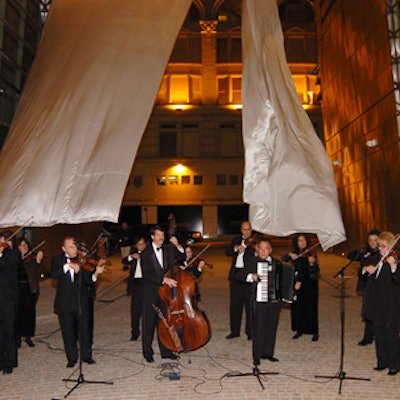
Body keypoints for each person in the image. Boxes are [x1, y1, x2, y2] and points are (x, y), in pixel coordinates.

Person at [51, 236, 105, 368]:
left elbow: (88, 280)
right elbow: (54, 274)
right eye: (70, 247)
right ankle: (72, 358)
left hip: (82, 301)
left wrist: (96, 274)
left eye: (75, 246)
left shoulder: (82, 260)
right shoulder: (57, 260)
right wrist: (68, 266)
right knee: (68, 331)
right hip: (65, 302)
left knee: (85, 329)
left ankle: (87, 356)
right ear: (64, 248)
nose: (74, 249)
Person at [140, 225, 185, 363]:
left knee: (165, 323)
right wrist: (163, 279)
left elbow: (182, 256)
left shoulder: (168, 249)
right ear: (152, 237)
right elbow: (146, 274)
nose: (161, 238)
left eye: (162, 235)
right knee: (149, 324)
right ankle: (147, 352)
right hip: (150, 293)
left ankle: (166, 351)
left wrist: (178, 245)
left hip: (166, 295)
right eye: (158, 235)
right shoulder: (145, 253)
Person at [235, 238, 282, 365]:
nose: (263, 251)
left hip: (274, 302)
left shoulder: (278, 264)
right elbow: (238, 275)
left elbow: (282, 282)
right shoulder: (252, 262)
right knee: (258, 328)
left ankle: (268, 353)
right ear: (257, 249)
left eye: (266, 248)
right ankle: (257, 356)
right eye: (260, 248)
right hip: (259, 301)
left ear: (270, 250)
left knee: (271, 327)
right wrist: (252, 277)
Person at [362, 231, 400, 376]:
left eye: (384, 247)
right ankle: (381, 362)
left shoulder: (395, 260)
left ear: (391, 246)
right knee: (379, 333)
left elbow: (398, 280)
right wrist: (366, 269)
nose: (381, 250)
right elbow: (362, 275)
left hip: (391, 304)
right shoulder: (374, 258)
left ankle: (394, 365)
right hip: (376, 303)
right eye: (379, 246)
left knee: (391, 334)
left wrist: (393, 268)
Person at [282, 234, 319, 341]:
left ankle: (314, 331)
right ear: (296, 242)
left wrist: (312, 264)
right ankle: (300, 330)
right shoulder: (295, 253)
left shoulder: (312, 254)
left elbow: (315, 273)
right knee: (298, 308)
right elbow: (284, 258)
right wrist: (290, 255)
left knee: (311, 308)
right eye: (300, 241)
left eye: (304, 240)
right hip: (297, 285)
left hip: (309, 285)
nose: (302, 243)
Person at [347, 229, 381, 346]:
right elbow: (350, 256)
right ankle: (368, 336)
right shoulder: (366, 251)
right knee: (368, 312)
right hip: (367, 285)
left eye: (375, 240)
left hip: (379, 287)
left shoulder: (382, 253)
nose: (372, 243)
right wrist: (360, 253)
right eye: (370, 240)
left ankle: (378, 335)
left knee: (379, 312)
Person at [225, 221, 255, 340]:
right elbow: (227, 252)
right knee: (235, 306)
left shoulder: (255, 242)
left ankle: (250, 332)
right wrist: (236, 248)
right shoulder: (236, 239)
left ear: (251, 230)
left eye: (248, 229)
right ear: (241, 230)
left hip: (248, 274)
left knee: (249, 306)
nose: (246, 232)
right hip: (236, 275)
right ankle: (234, 331)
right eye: (244, 229)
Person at [16, 238, 43, 348]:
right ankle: (17, 337)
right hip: (17, 289)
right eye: (21, 245)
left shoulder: (31, 258)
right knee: (18, 314)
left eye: (25, 244)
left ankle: (28, 336)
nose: (24, 246)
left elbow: (36, 272)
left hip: (30, 288)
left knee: (29, 313)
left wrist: (38, 261)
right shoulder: (13, 258)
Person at [0, 231, 21, 374]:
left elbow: (7, 267)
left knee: (9, 330)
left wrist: (1, 254)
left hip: (8, 299)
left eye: (4, 241)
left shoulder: (14, 254)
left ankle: (9, 362)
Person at [124, 236, 146, 341]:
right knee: (135, 311)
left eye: (142, 244)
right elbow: (124, 261)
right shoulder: (134, 254)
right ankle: (135, 333)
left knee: (147, 309)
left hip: (146, 284)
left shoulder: (149, 254)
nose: (141, 246)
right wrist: (131, 257)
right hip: (136, 284)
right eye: (139, 244)